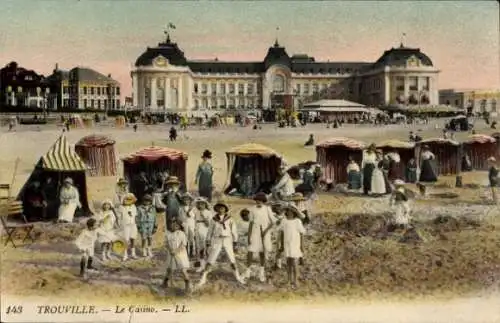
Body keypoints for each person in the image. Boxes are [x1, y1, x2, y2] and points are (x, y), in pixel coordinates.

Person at [196, 201, 246, 287]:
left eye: (222, 208)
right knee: (211, 258)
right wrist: (208, 241)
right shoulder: (214, 219)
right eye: (219, 208)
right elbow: (210, 231)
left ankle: (238, 277)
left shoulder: (230, 219)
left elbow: (234, 231)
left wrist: (235, 241)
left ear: (225, 209)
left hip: (227, 239)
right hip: (217, 240)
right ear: (216, 209)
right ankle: (203, 278)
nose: (220, 209)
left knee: (232, 259)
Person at [242, 192, 278, 283]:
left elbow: (273, 222)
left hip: (264, 232)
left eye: (260, 200)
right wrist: (249, 236)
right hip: (255, 231)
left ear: (263, 201)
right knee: (250, 251)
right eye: (257, 200)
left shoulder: (267, 209)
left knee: (262, 252)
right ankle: (248, 272)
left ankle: (261, 272)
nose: (258, 202)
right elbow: (250, 223)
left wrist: (266, 231)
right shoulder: (252, 209)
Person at [277, 204, 306, 289]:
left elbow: (302, 234)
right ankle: (289, 280)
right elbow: (282, 233)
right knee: (288, 262)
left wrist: (302, 245)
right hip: (287, 244)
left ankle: (296, 280)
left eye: (291, 211)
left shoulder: (297, 221)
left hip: (295, 244)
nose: (289, 212)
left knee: (294, 263)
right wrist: (282, 245)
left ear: (294, 212)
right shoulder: (284, 221)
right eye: (287, 211)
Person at [162, 219, 191, 294]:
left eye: (176, 225)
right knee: (169, 269)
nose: (174, 226)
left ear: (179, 226)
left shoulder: (181, 233)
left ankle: (187, 284)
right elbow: (166, 243)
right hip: (171, 253)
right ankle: (165, 282)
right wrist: (171, 250)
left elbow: (183, 244)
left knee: (183, 270)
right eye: (172, 225)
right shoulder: (168, 234)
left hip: (180, 254)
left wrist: (176, 251)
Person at [117, 193, 138, 261]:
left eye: (130, 199)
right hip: (125, 225)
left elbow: (135, 216)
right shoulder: (121, 207)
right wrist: (120, 224)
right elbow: (119, 217)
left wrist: (135, 222)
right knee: (125, 240)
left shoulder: (133, 206)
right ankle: (125, 254)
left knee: (133, 239)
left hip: (133, 224)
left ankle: (133, 253)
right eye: (127, 199)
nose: (128, 201)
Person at [194, 197, 212, 272]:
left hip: (205, 230)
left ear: (205, 205)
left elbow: (208, 224)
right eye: (199, 204)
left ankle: (208, 265)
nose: (201, 205)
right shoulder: (197, 212)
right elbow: (195, 222)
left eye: (202, 204)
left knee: (206, 248)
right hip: (198, 229)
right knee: (199, 248)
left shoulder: (208, 212)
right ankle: (202, 265)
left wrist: (203, 216)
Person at [179, 193, 196, 258]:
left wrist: (189, 213)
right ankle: (186, 252)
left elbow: (194, 216)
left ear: (190, 201)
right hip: (184, 224)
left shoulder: (192, 208)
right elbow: (180, 217)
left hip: (191, 224)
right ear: (183, 200)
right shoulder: (180, 208)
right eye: (185, 200)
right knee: (185, 238)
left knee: (191, 238)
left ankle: (191, 252)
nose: (186, 201)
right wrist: (181, 224)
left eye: (187, 200)